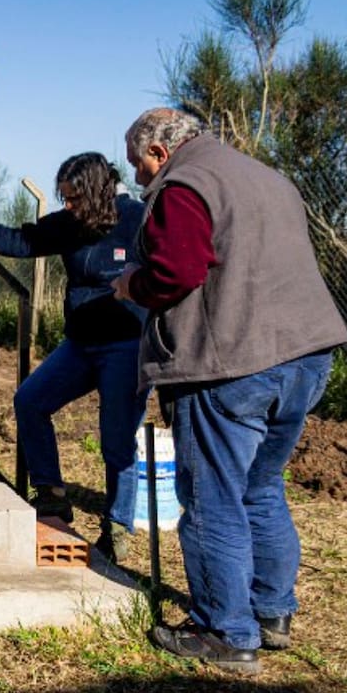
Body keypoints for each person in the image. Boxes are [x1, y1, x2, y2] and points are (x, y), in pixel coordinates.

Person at [112, 107, 347, 675]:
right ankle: (272, 611)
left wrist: (130, 285)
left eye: (138, 165)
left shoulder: (184, 186)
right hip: (307, 355)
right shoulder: (268, 177)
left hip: (232, 363)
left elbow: (177, 272)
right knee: (261, 486)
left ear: (159, 153)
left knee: (211, 496)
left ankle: (224, 631)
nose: (138, 178)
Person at [0, 152, 148, 562]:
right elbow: (17, 241)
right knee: (30, 400)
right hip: (81, 343)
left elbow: (170, 271)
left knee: (116, 440)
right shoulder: (69, 224)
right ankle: (52, 494)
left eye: (74, 198)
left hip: (126, 344)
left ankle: (117, 529)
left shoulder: (137, 218)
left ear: (96, 192)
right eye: (64, 199)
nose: (69, 206)